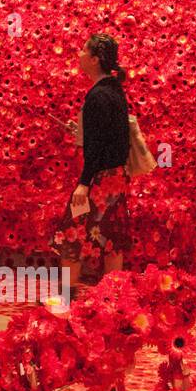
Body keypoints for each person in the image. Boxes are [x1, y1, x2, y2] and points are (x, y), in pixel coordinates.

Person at [52, 32, 131, 288]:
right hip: (116, 177)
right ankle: (112, 300)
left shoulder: (97, 96)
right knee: (111, 237)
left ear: (95, 59)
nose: (80, 55)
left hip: (99, 179)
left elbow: (97, 145)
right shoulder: (114, 89)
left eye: (84, 51)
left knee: (72, 234)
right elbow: (110, 135)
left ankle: (65, 297)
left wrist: (84, 182)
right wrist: (81, 132)